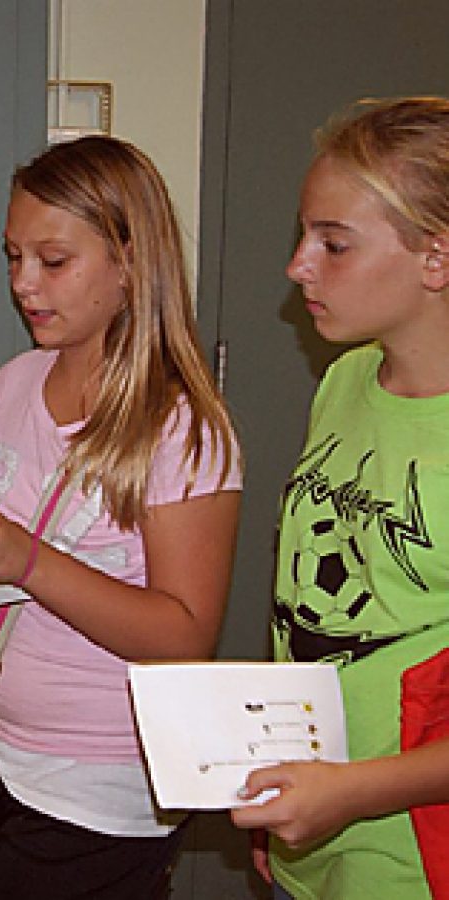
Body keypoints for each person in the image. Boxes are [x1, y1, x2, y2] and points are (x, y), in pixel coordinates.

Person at [0, 135, 242, 899]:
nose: (24, 283)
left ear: (129, 263)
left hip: (100, 790)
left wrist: (24, 559)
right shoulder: (17, 381)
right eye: (13, 255)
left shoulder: (182, 428)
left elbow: (184, 633)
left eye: (53, 262)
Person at [230, 97, 449, 900]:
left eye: (333, 243)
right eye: (303, 234)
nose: (297, 265)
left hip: (410, 858)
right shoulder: (347, 378)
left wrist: (345, 794)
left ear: (437, 256)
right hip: (312, 837)